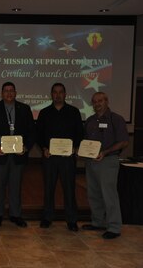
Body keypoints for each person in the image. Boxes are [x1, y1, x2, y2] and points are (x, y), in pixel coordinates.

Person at [0, 82, 35, 228]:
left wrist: (26, 147)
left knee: (16, 186)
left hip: (18, 155)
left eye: (11, 91)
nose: (9, 93)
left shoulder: (24, 109)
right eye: (6, 91)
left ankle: (15, 215)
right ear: (1, 93)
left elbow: (32, 132)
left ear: (16, 93)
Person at [36, 83, 83, 231]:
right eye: (55, 92)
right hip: (49, 157)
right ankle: (47, 217)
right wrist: (44, 148)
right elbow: (39, 134)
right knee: (49, 188)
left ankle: (71, 219)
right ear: (51, 95)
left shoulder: (74, 112)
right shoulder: (44, 113)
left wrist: (75, 147)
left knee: (69, 189)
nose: (58, 95)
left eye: (60, 92)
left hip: (67, 158)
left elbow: (79, 133)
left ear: (65, 94)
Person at [81, 92, 128, 239]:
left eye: (100, 101)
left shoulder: (116, 119)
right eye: (94, 102)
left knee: (109, 194)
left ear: (107, 101)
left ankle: (114, 227)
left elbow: (124, 142)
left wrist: (105, 152)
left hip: (108, 161)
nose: (97, 104)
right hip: (91, 162)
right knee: (93, 193)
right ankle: (98, 222)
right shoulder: (90, 121)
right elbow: (85, 141)